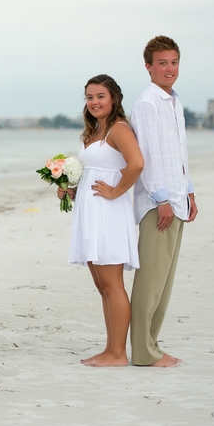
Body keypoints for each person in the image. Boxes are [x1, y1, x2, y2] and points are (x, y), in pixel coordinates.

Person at [58, 75, 143, 367]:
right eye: (89, 97)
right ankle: (111, 349)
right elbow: (93, 171)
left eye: (100, 96)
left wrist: (117, 191)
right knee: (102, 286)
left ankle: (118, 354)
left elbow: (137, 164)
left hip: (108, 214)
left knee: (112, 284)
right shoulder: (96, 131)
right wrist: (70, 189)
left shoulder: (119, 129)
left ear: (114, 98)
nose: (94, 102)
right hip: (91, 213)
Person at [130, 35, 198, 367]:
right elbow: (148, 156)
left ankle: (152, 345)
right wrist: (162, 199)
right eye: (162, 63)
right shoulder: (147, 103)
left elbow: (178, 153)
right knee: (151, 279)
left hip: (176, 199)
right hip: (159, 204)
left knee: (165, 281)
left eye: (173, 62)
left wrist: (189, 191)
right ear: (148, 67)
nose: (169, 69)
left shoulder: (174, 101)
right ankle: (143, 351)